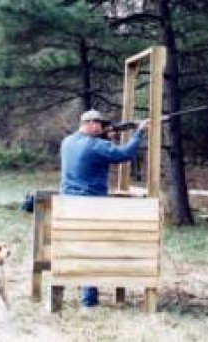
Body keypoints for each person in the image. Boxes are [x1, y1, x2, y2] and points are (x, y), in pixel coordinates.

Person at [60, 108, 148, 308]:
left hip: (68, 206)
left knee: (75, 250)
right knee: (91, 250)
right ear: (90, 124)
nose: (102, 127)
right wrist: (139, 131)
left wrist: (108, 138)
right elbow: (125, 154)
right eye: (99, 124)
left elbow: (93, 158)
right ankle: (88, 301)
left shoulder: (67, 142)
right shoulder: (95, 145)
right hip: (90, 207)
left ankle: (64, 294)